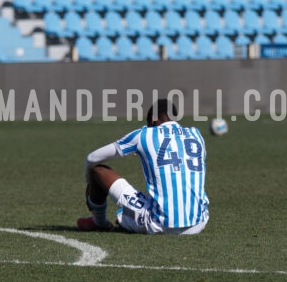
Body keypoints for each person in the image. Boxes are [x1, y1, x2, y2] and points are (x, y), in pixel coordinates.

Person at [77, 99, 209, 235]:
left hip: (160, 224)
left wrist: (90, 186)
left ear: (152, 119)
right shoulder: (196, 134)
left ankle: (100, 222)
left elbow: (92, 158)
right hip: (198, 223)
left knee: (97, 170)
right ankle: (128, 219)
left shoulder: (143, 135)